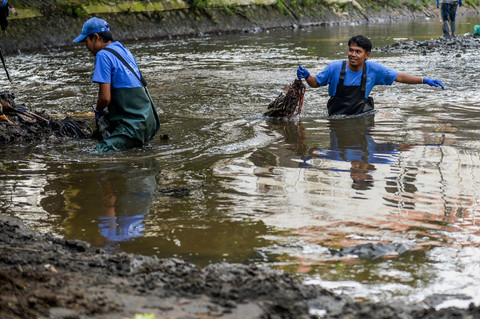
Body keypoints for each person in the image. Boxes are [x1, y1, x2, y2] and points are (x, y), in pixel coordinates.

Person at [296, 35, 445, 116]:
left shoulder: (374, 69)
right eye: (351, 50)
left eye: (357, 51)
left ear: (367, 55)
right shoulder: (334, 68)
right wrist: (307, 75)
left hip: (362, 115)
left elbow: (399, 77)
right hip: (336, 115)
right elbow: (315, 83)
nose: (352, 54)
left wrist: (424, 80)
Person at [73, 17, 160, 152]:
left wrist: (98, 111)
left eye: (86, 41)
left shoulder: (102, 55)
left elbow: (105, 98)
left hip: (133, 127)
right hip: (150, 123)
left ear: (96, 37)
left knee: (97, 153)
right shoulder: (125, 51)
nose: (87, 47)